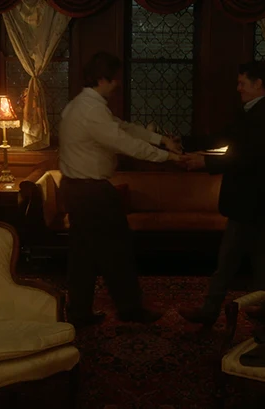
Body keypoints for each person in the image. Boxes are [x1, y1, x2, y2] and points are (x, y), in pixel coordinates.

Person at [59, 51, 186, 327]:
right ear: (102, 79)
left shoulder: (81, 105)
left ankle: (79, 312)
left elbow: (124, 128)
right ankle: (130, 310)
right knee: (117, 251)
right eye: (115, 79)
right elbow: (125, 143)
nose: (118, 84)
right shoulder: (91, 110)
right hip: (91, 192)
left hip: (76, 189)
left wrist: (161, 140)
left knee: (82, 255)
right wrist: (169, 157)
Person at [177, 61, 265, 327]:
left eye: (242, 83)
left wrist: (204, 162)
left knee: (228, 260)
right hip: (255, 201)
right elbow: (224, 138)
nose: (238, 88)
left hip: (250, 201)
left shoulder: (262, 116)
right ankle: (264, 308)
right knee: (261, 258)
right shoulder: (251, 112)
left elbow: (244, 158)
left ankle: (210, 311)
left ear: (258, 84)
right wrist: (184, 142)